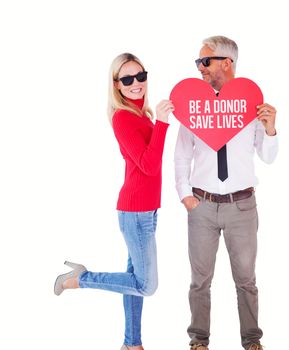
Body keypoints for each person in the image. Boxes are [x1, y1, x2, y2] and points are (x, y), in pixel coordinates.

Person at [54, 52, 174, 350]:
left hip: (146, 209)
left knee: (135, 279)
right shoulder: (122, 118)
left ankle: (132, 344)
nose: (136, 84)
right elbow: (148, 165)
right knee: (147, 285)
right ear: (116, 85)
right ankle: (81, 279)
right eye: (128, 79)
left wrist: (156, 121)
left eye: (141, 76)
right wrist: (162, 124)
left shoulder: (140, 115)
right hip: (135, 211)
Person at [174, 36, 278, 350]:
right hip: (202, 205)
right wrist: (184, 194)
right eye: (198, 62)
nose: (200, 68)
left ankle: (251, 341)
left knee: (246, 280)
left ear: (226, 63)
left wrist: (271, 129)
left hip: (242, 205)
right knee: (200, 280)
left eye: (204, 61)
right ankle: (199, 341)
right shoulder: (195, 106)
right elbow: (182, 154)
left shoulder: (250, 103)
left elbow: (268, 156)